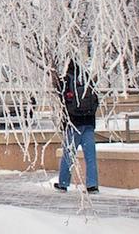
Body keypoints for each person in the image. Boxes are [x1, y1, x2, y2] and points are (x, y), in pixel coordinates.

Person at [54, 63, 100, 194]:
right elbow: (96, 100)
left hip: (73, 124)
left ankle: (63, 183)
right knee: (90, 156)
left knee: (68, 155)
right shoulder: (87, 79)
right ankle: (92, 184)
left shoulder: (66, 81)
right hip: (89, 123)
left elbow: (61, 99)